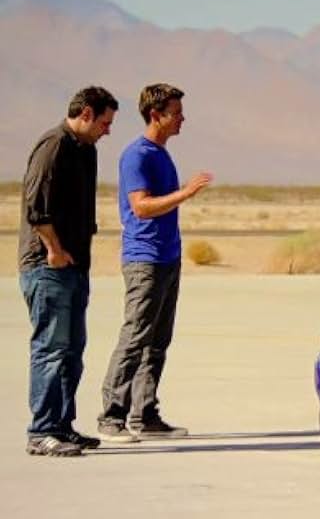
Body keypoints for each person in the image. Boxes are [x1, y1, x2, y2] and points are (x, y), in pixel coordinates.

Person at [98, 83, 212, 442]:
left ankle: (144, 414)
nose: (182, 119)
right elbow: (141, 206)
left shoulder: (161, 154)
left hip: (167, 258)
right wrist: (186, 194)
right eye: (176, 113)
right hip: (144, 260)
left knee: (158, 340)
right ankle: (111, 416)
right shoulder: (138, 156)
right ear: (155, 115)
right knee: (135, 337)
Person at [19, 86, 119, 457]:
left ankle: (62, 426)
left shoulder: (86, 150)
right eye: (105, 122)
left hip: (75, 266)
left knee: (72, 351)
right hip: (48, 267)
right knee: (50, 349)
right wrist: (55, 250)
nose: (107, 130)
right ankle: (41, 431)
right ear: (87, 114)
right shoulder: (54, 146)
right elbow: (36, 207)